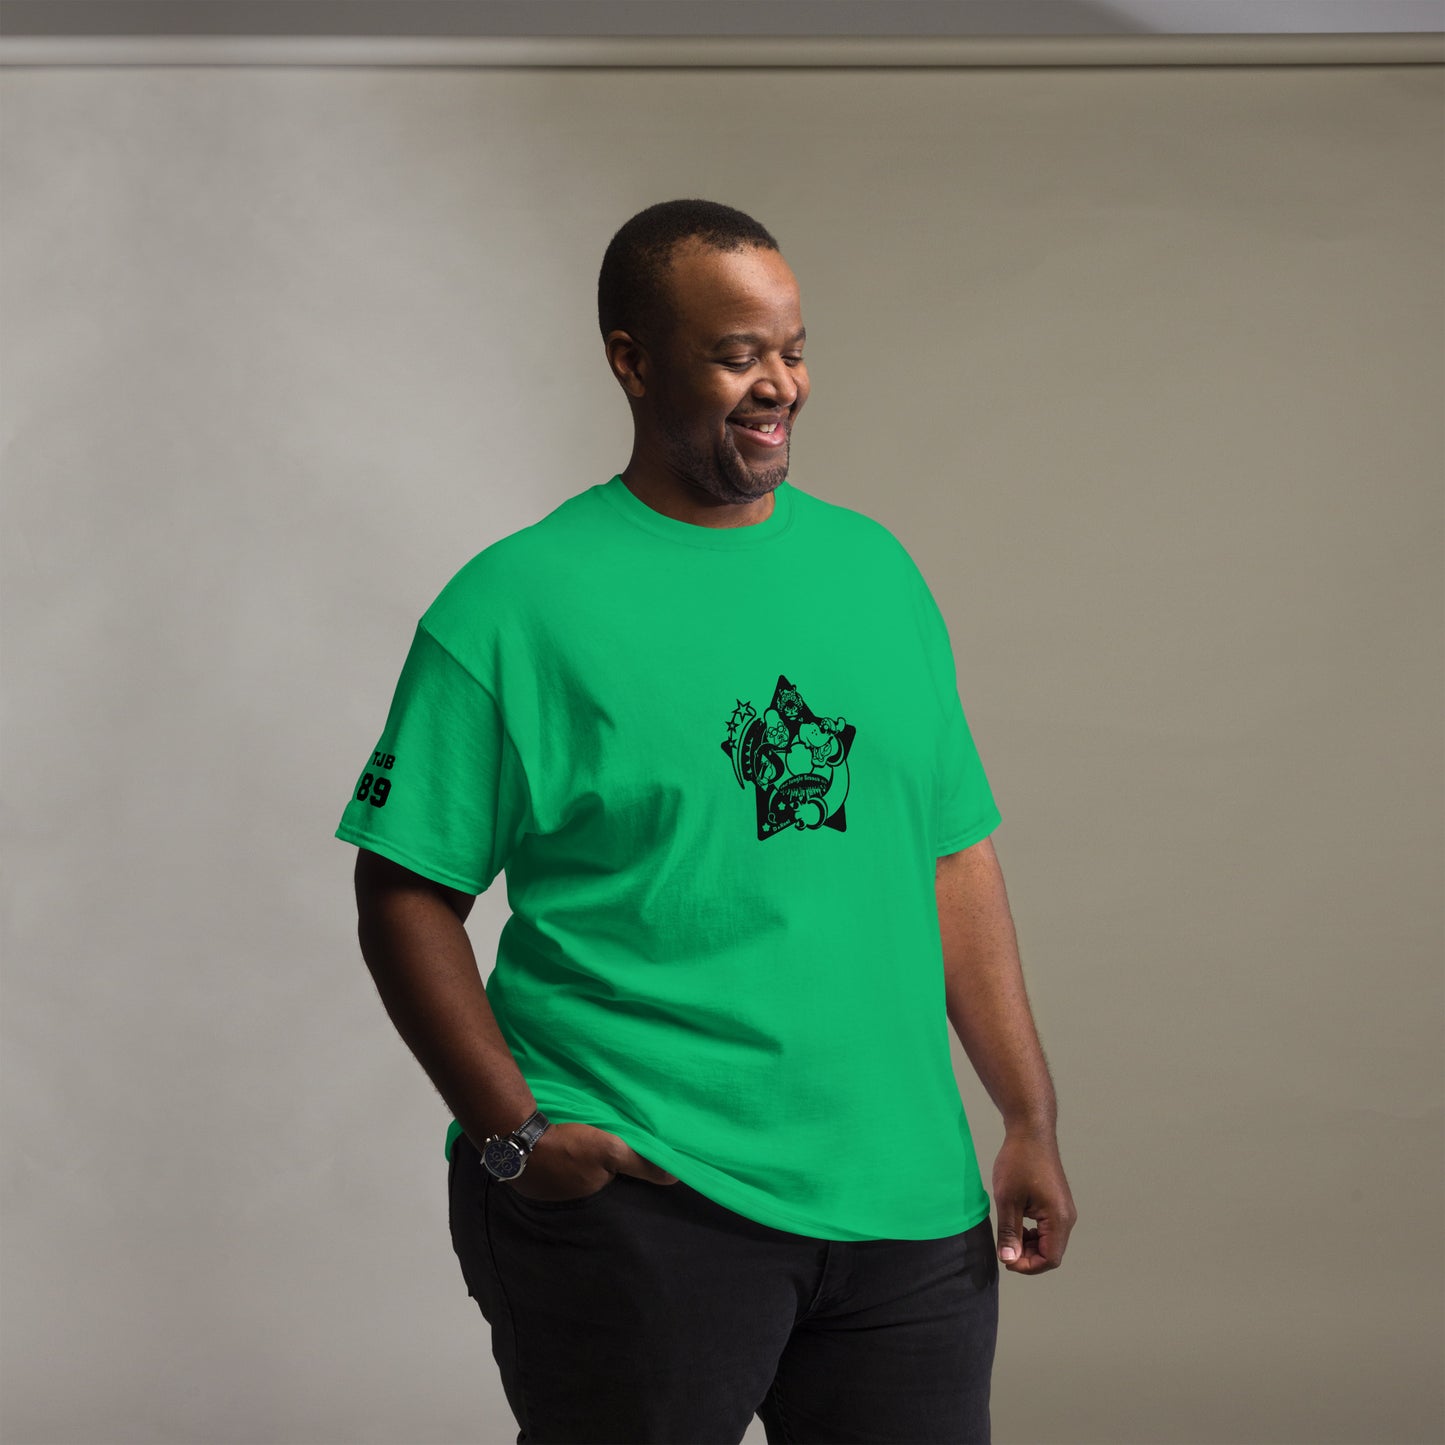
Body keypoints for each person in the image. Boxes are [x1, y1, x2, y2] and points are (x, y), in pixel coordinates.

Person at [337, 197, 1076, 1445]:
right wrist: (517, 1138)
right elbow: (403, 889)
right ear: (632, 359)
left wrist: (1026, 1117)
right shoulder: (514, 604)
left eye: (790, 348)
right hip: (644, 1200)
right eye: (737, 353)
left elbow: (949, 855)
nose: (776, 383)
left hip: (904, 1207)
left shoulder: (875, 573)